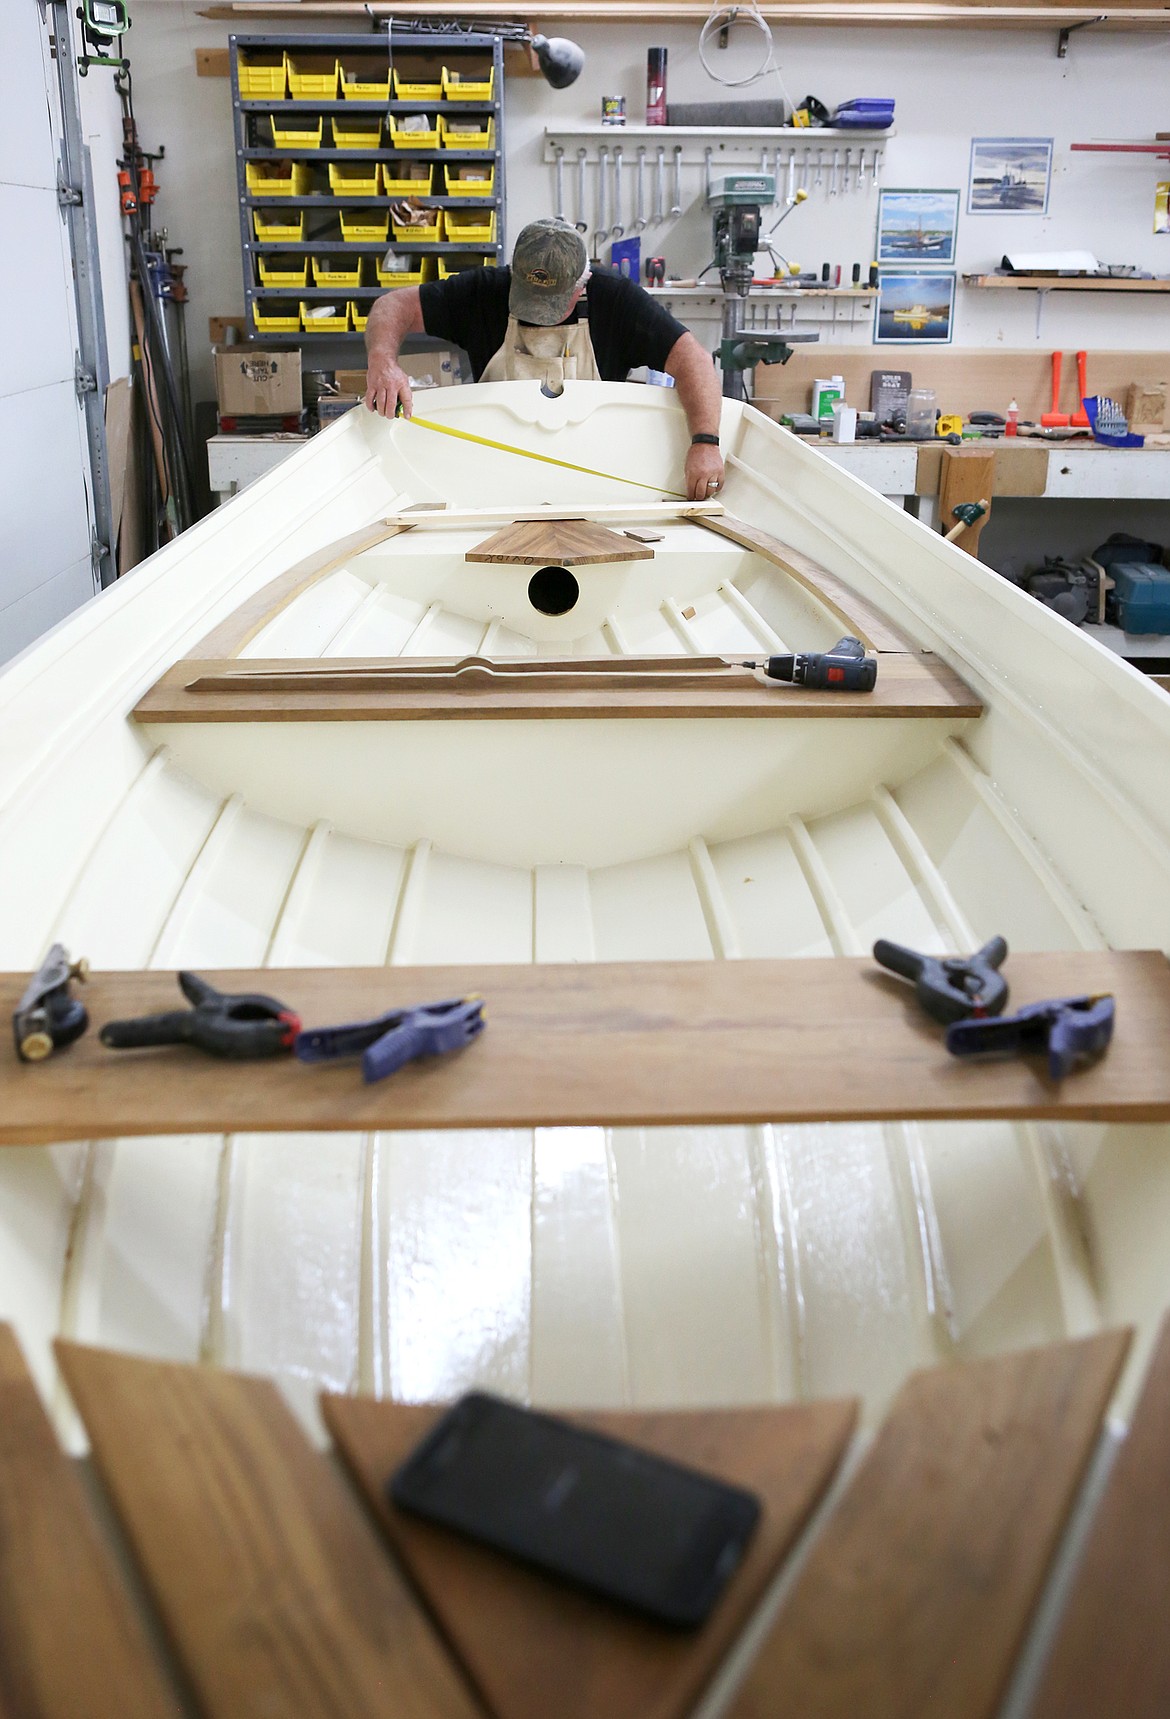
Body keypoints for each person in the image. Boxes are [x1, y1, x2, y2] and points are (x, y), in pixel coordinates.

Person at [364, 218, 726, 502]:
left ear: (582, 283)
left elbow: (692, 359)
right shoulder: (484, 292)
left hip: (599, 477)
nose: (538, 315)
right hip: (493, 475)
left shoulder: (616, 299)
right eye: (528, 299)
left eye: (551, 303)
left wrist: (705, 442)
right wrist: (383, 361)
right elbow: (392, 306)